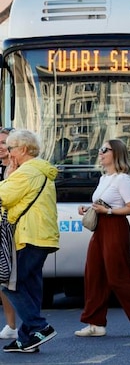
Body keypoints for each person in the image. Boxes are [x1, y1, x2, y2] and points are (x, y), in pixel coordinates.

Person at [75, 139, 130, 338]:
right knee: (93, 273)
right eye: (100, 149)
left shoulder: (123, 179)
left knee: (117, 275)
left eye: (105, 149)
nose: (101, 153)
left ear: (116, 153)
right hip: (100, 227)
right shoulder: (104, 178)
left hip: (115, 227)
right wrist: (88, 208)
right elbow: (102, 203)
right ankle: (95, 323)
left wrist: (109, 211)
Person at [0, 129, 59, 353]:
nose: (8, 153)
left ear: (23, 149)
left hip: (29, 236)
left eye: (11, 148)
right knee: (31, 286)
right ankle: (27, 339)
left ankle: (39, 327)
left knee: (10, 284)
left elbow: (4, 196)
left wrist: (10, 175)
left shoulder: (27, 171)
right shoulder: (37, 169)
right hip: (40, 236)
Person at [0, 128, 17, 340]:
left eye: (4, 142)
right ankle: (12, 324)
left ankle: (20, 324)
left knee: (10, 279)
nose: (0, 146)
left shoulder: (20, 169)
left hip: (13, 229)